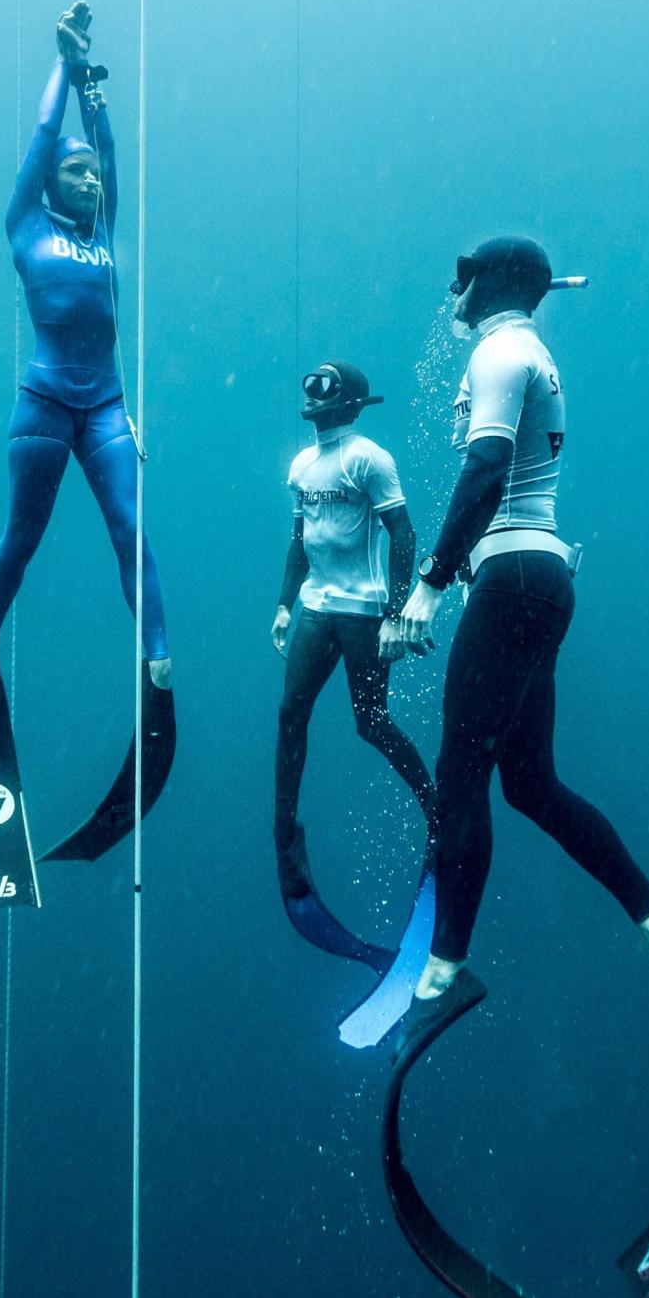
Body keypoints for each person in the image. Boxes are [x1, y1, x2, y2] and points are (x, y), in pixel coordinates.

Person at [397, 236, 649, 1024]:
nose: (450, 297)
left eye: (458, 281)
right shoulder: (533, 354)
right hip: (540, 576)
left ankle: (447, 963)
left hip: (514, 578)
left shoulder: (501, 356)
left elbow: (488, 469)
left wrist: (429, 584)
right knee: (529, 784)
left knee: (461, 773)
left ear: (490, 285)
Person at [0, 1, 169, 689]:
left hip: (107, 407)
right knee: (23, 539)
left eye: (92, 176)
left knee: (130, 528)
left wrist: (93, 86)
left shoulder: (103, 232)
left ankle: (159, 663)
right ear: (50, 182)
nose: (90, 181)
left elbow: (107, 149)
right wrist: (65, 60)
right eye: (75, 173)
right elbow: (43, 133)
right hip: (47, 403)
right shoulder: (26, 223)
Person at [273, 363, 435, 941]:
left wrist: (394, 613)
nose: (316, 402)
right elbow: (301, 540)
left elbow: (405, 534)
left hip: (363, 612)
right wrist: (285, 604)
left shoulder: (370, 458)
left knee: (370, 722)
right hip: (317, 609)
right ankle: (283, 833)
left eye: (327, 392)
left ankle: (433, 804)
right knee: (291, 713)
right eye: (310, 390)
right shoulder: (301, 466)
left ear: (352, 405)